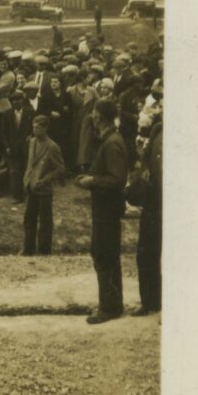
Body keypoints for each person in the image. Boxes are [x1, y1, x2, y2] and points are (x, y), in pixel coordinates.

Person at [75, 99, 129, 324]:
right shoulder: (109, 140)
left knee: (104, 254)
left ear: (101, 117)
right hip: (104, 208)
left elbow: (117, 180)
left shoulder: (112, 143)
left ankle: (109, 308)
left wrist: (92, 181)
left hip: (107, 210)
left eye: (95, 114)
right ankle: (112, 304)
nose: (92, 117)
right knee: (104, 254)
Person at [21, 115, 65, 255]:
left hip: (44, 190)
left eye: (38, 127)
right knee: (29, 218)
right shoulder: (32, 142)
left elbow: (60, 169)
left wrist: (45, 180)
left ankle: (44, 250)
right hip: (31, 186)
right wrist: (27, 179)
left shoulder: (52, 147)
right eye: (33, 127)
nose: (34, 130)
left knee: (45, 221)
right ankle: (28, 248)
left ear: (45, 128)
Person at [133, 114, 162, 315]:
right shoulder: (158, 129)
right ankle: (150, 302)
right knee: (146, 253)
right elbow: (145, 163)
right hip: (154, 203)